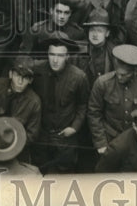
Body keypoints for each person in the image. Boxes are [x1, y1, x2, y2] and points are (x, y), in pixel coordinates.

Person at [29, 34, 89, 173]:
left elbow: (83, 105)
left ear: (67, 56)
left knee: (64, 176)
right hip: (41, 135)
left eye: (60, 56)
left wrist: (74, 128)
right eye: (52, 54)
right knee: (39, 173)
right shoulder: (36, 71)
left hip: (65, 137)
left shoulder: (78, 77)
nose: (55, 60)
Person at [87, 44, 137, 154]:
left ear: (134, 72)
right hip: (110, 139)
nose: (120, 77)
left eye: (125, 75)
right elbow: (94, 114)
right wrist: (101, 142)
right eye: (118, 73)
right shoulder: (102, 83)